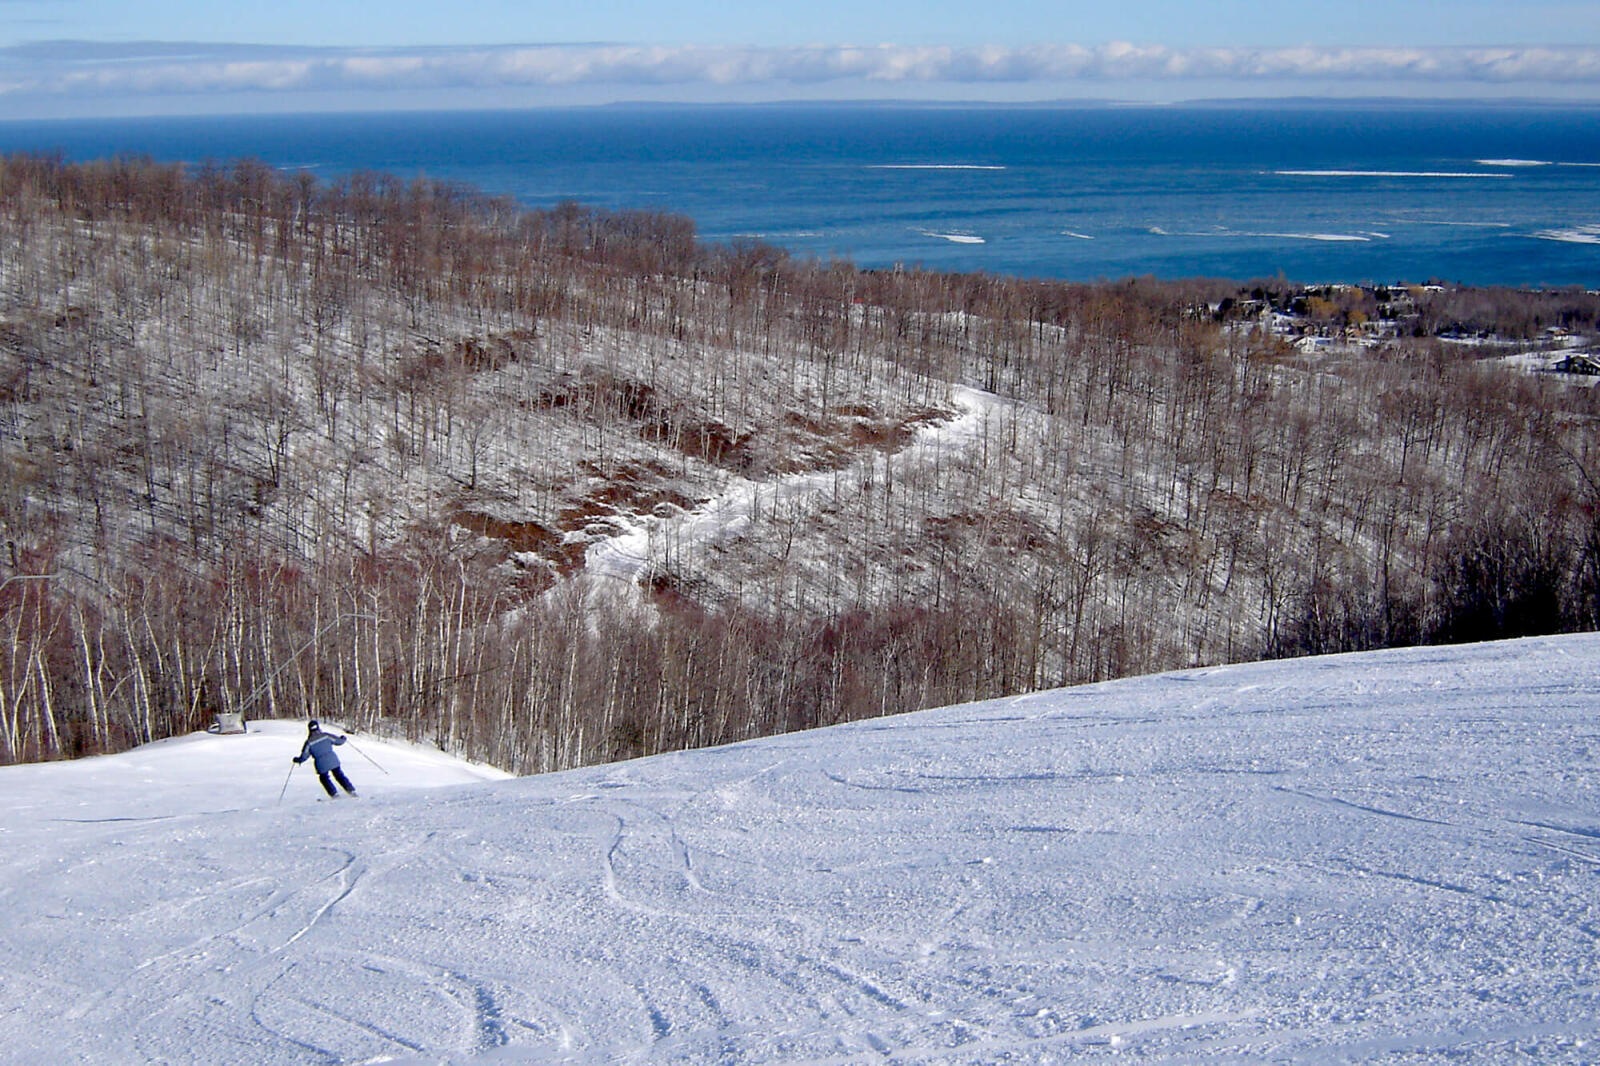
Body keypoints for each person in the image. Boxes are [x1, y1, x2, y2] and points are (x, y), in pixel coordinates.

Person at [294, 720, 357, 798]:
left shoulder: (309, 742)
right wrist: (343, 738)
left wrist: (298, 760)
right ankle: (351, 790)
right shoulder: (326, 736)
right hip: (333, 760)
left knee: (324, 778)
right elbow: (338, 741)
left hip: (320, 764)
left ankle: (334, 794)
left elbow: (304, 756)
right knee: (339, 775)